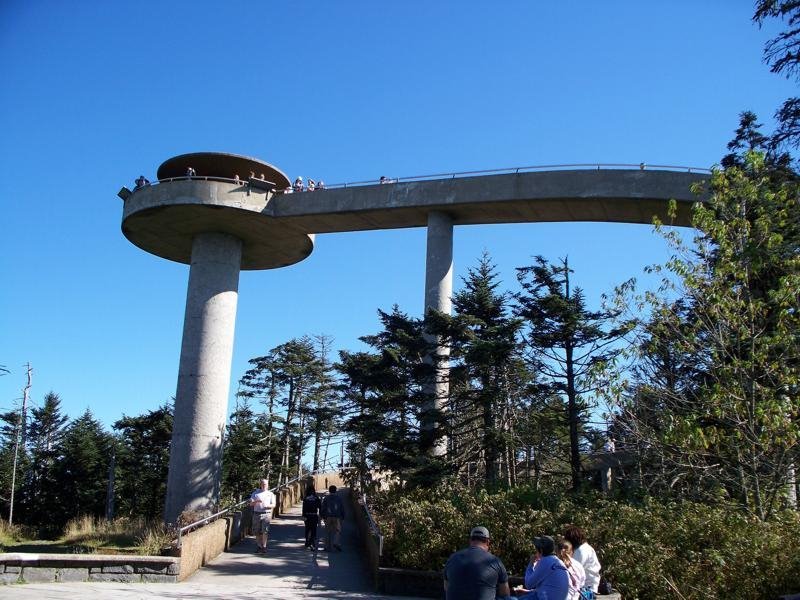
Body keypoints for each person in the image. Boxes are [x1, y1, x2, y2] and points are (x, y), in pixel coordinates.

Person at [443, 526, 511, 600]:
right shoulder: (495, 561)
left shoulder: (452, 558)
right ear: (488, 542)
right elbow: (505, 593)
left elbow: (446, 587)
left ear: (470, 540)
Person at [514, 535, 569, 600]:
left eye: (536, 549)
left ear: (541, 550)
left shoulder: (545, 561)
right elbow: (551, 587)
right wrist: (529, 592)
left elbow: (528, 584)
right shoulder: (558, 561)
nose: (535, 551)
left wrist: (531, 564)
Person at [562, 526, 601, 594]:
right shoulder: (585, 548)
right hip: (590, 585)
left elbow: (573, 571)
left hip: (586, 588)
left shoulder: (581, 551)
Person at [249, 478, 276, 553]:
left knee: (265, 531)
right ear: (260, 484)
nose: (264, 485)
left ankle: (264, 547)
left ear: (267, 485)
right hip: (256, 513)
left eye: (265, 484)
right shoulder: (255, 493)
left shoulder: (270, 494)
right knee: (257, 531)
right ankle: (259, 546)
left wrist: (268, 505)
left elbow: (274, 504)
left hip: (266, 514)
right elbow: (251, 504)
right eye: (262, 484)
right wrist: (256, 501)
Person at [320, 485, 345, 551]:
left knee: (327, 532)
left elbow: (323, 508)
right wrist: (343, 516)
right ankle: (335, 542)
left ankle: (326, 547)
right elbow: (342, 508)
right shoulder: (339, 498)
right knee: (337, 531)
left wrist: (322, 516)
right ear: (336, 490)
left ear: (329, 490)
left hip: (328, 516)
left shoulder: (326, 498)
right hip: (337, 517)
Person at [302, 485, 321, 550]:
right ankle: (312, 542)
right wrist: (321, 515)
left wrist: (303, 516)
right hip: (314, 515)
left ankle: (307, 541)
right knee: (313, 529)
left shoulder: (306, 498)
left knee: (307, 529)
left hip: (307, 515)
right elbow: (320, 507)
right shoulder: (316, 498)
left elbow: (304, 508)